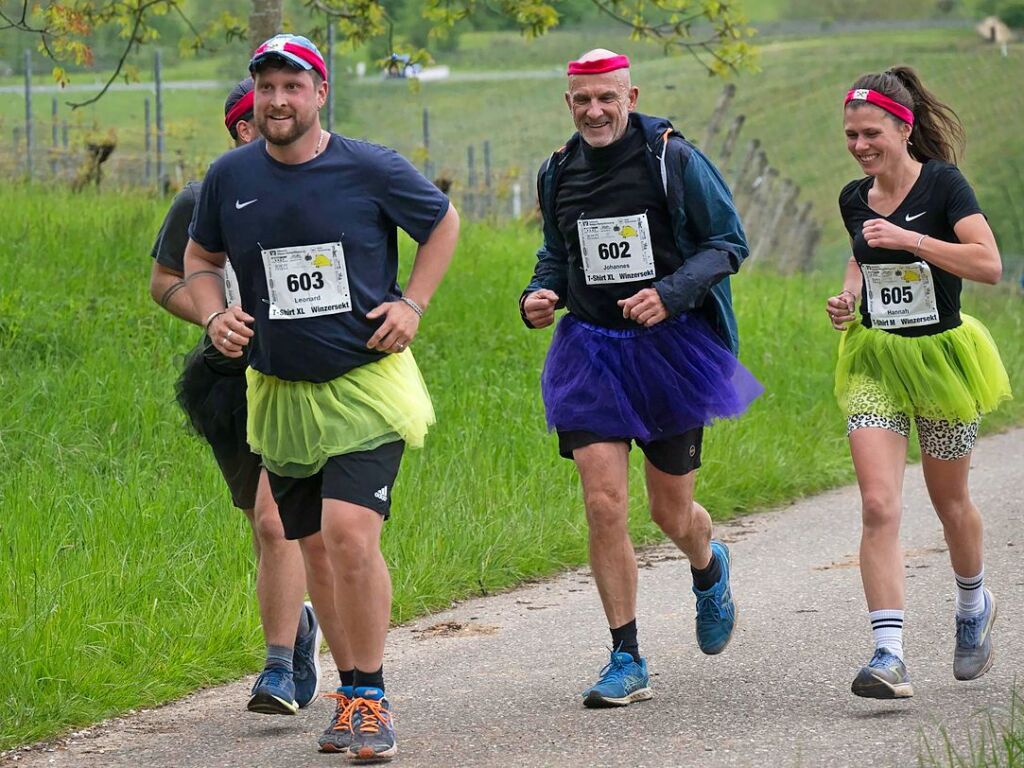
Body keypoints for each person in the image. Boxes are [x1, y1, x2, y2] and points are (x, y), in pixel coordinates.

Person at [184, 34, 459, 761]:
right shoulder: (229, 175)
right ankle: (349, 690)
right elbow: (199, 260)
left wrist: (413, 305)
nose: (278, 100)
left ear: (319, 92)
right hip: (279, 393)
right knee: (312, 547)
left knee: (347, 533)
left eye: (292, 86)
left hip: (366, 385)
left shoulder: (368, 167)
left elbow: (442, 224)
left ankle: (369, 700)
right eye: (267, 87)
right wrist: (215, 314)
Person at [520, 49, 762, 708]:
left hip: (669, 351)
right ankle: (626, 655)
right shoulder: (559, 171)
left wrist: (671, 293)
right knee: (603, 505)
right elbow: (556, 253)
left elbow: (729, 243)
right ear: (568, 103)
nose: (594, 111)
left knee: (670, 511)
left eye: (606, 98)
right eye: (581, 100)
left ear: (630, 95)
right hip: (591, 352)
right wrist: (539, 295)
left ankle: (708, 567)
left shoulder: (671, 158)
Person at [827, 66, 1011, 699]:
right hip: (876, 360)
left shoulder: (943, 184)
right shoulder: (854, 195)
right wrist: (848, 297)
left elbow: (988, 265)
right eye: (851, 135)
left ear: (903, 128)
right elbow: (859, 253)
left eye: (870, 133)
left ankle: (972, 603)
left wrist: (911, 239)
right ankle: (888, 653)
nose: (859, 146)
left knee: (948, 501)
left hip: (943, 360)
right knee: (879, 504)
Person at [148, 77, 325, 717]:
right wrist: (211, 315)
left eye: (286, 104)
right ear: (239, 131)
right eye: (255, 117)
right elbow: (164, 280)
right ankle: (300, 624)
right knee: (263, 521)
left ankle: (277, 668)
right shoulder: (201, 200)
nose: (275, 118)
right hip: (225, 384)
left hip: (305, 376)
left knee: (278, 519)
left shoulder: (318, 188)